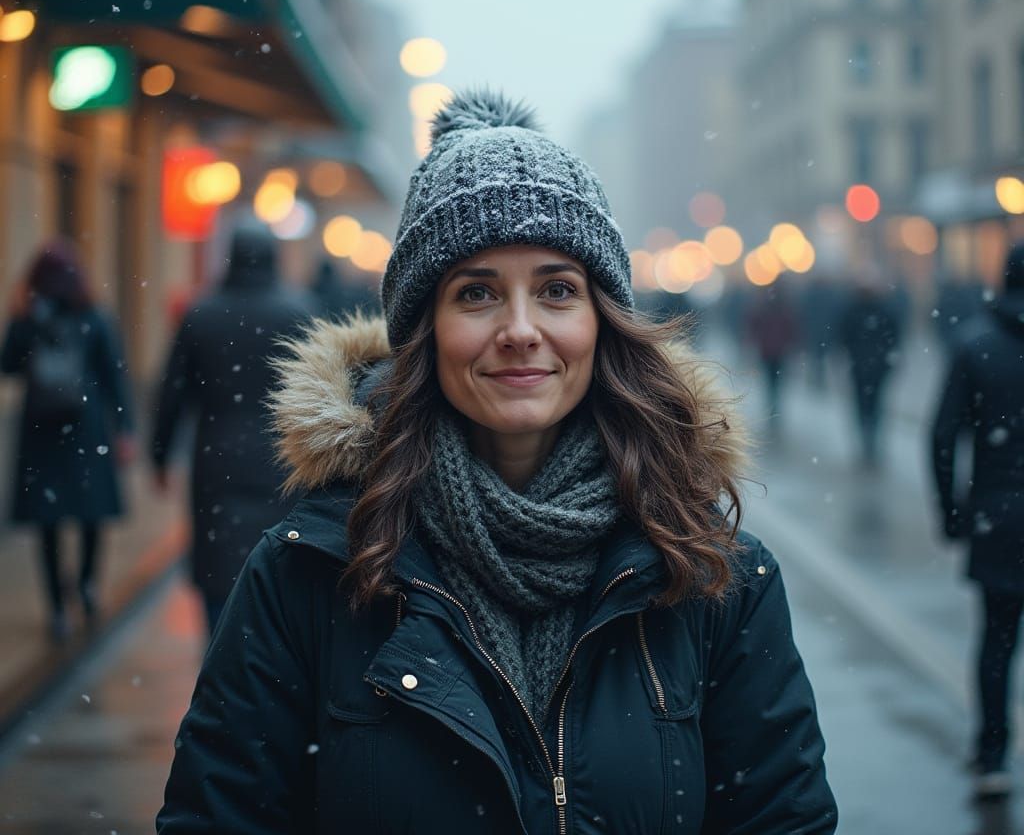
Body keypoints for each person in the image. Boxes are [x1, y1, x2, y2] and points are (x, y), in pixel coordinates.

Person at [158, 90, 837, 833]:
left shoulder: (712, 573)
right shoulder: (310, 572)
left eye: (556, 290)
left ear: (600, 322)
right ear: (426, 330)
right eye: (477, 292)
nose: (520, 330)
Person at [150, 220, 313, 633]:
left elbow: (172, 393)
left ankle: (218, 659)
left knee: (218, 565)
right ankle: (268, 663)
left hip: (216, 455)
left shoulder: (201, 314)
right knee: (276, 561)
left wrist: (160, 456)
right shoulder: (297, 313)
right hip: (280, 458)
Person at [0, 240, 135, 640]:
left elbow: (7, 366)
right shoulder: (93, 316)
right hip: (85, 429)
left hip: (41, 431)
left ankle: (58, 606)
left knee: (49, 519)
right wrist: (125, 428)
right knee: (89, 512)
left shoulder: (30, 316)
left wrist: (21, 317)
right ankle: (87, 585)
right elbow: (114, 376)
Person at [931, 242, 1024, 800]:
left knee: (998, 639)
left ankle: (992, 754)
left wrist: (953, 511)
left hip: (1000, 516)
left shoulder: (976, 344)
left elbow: (943, 436)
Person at [838, 271, 902, 467]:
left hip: (862, 366)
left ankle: (868, 440)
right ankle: (871, 440)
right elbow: (894, 337)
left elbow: (843, 337)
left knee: (863, 404)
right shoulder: (883, 311)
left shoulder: (853, 311)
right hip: (876, 366)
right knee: (875, 404)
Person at [744, 278, 801, 436]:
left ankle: (773, 408)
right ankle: (774, 408)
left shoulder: (763, 306)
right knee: (776, 382)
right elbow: (792, 328)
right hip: (778, 351)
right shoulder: (785, 307)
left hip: (768, 350)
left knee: (771, 382)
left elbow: (753, 325)